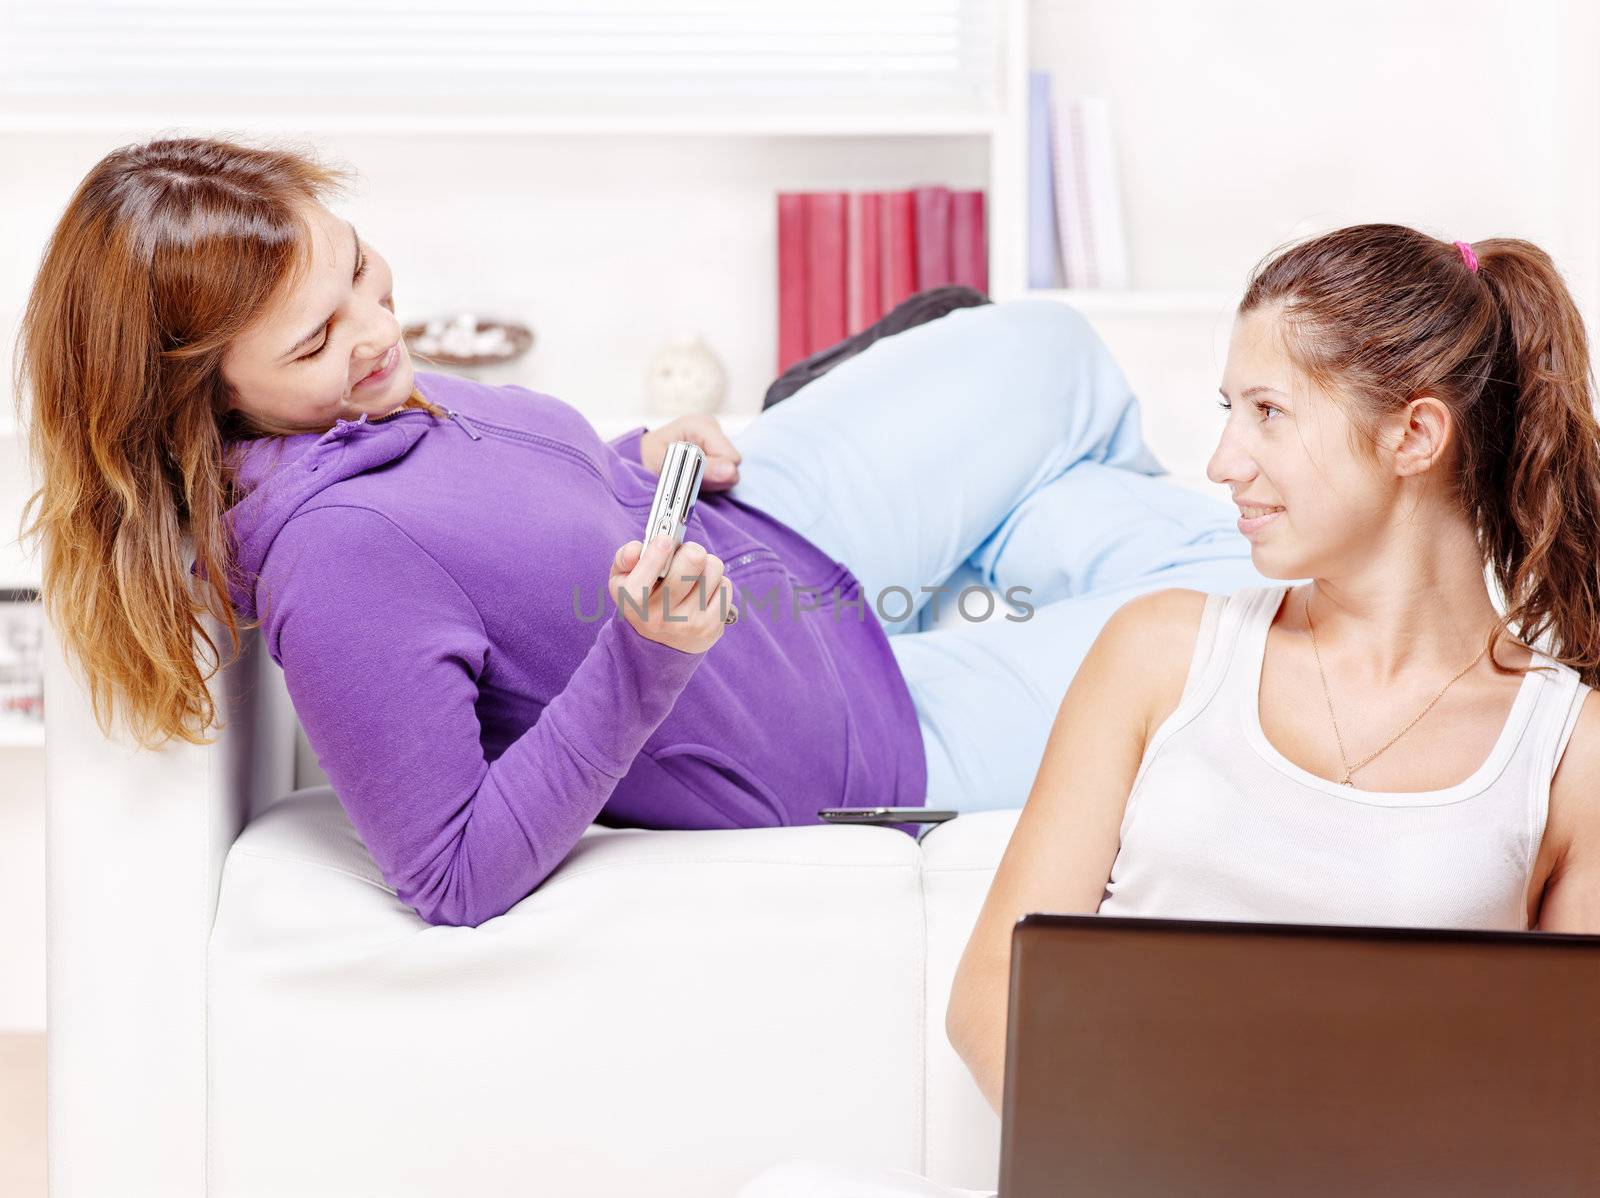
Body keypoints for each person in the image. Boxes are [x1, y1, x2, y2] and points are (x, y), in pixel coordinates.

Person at [16, 134, 1261, 929]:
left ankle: (1008, 539)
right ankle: (1015, 555)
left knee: (1049, 354)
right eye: (314, 337)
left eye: (354, 268)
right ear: (207, 401)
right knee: (1237, 603)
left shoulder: (363, 404)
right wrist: (642, 658)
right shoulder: (341, 564)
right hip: (867, 730)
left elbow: (509, 526)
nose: (376, 328)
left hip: (770, 524)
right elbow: (450, 874)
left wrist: (638, 460)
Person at [739, 228, 1600, 1197]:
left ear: (1413, 435)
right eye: (1230, 411)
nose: (1225, 460)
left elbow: (1568, 1105)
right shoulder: (1158, 654)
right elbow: (990, 999)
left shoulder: (1567, 751)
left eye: (1269, 413)